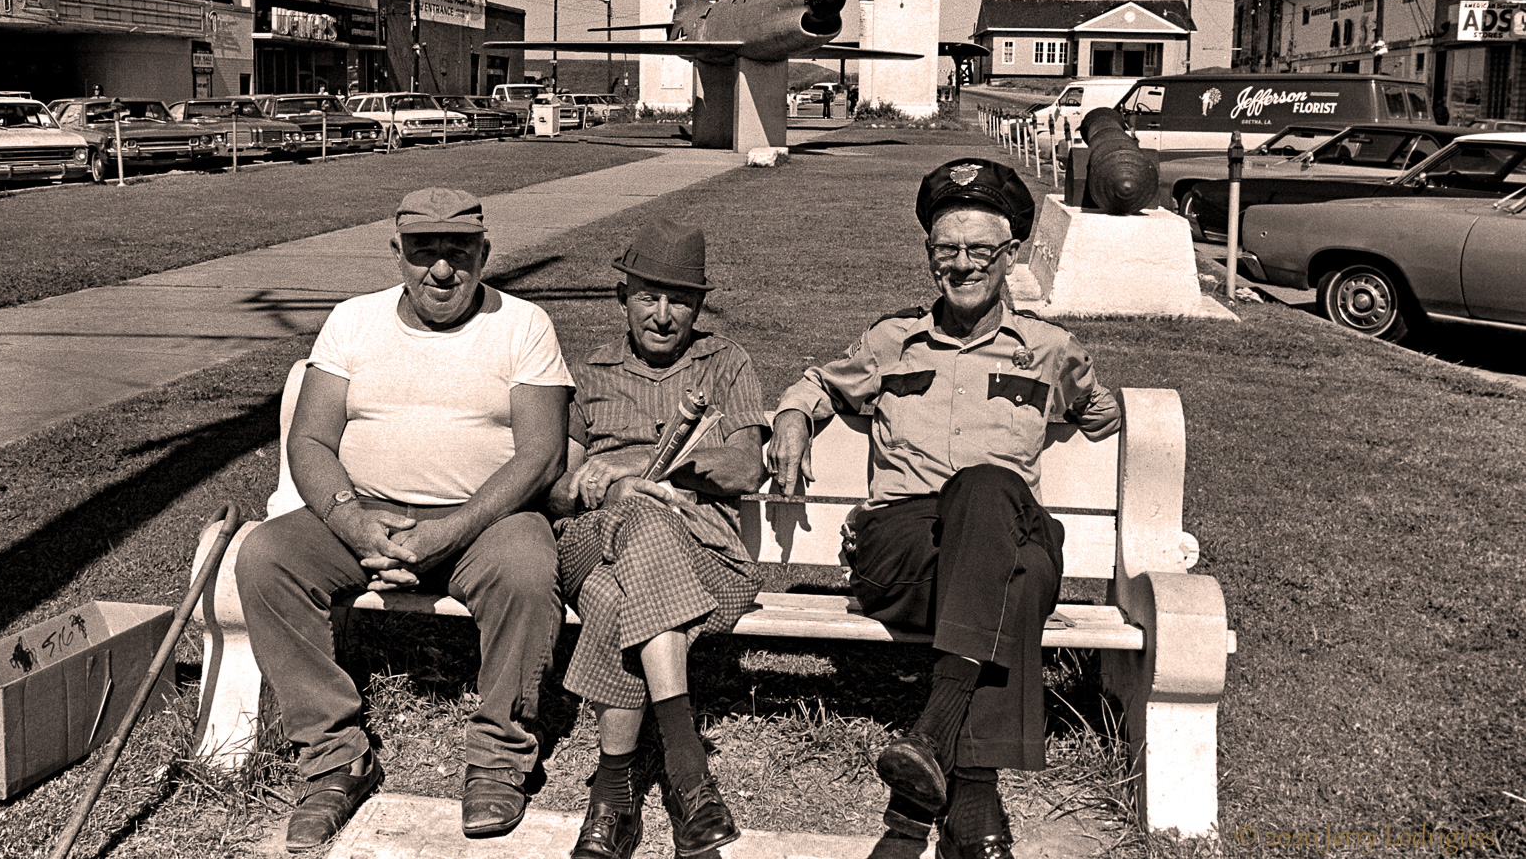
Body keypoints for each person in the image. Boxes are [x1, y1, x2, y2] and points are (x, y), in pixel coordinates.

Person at [768, 160, 1120, 859]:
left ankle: (914, 798)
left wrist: (1092, 402)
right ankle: (974, 797)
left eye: (979, 250)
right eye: (945, 251)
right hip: (905, 550)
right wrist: (791, 419)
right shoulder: (890, 342)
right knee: (1007, 575)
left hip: (999, 528)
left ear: (1010, 256)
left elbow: (1099, 408)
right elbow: (815, 382)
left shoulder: (1049, 350)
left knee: (989, 494)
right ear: (930, 258)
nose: (961, 266)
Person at [234, 188, 572, 851]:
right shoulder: (354, 321)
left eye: (458, 251)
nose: (440, 269)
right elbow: (308, 442)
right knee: (264, 557)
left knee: (529, 568)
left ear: (485, 253)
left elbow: (540, 455)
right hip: (366, 514)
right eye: (424, 251)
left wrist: (447, 531)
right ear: (397, 254)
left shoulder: (524, 324)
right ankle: (335, 761)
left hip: (485, 519)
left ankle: (499, 758)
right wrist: (356, 525)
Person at [549, 219, 768, 859]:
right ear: (624, 297)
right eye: (649, 296)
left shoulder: (725, 362)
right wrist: (602, 486)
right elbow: (558, 490)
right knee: (639, 515)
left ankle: (611, 799)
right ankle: (687, 768)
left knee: (621, 601)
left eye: (681, 300)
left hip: (705, 555)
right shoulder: (587, 374)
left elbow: (749, 468)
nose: (664, 315)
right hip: (594, 542)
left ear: (699, 306)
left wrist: (675, 471)